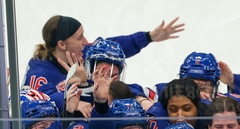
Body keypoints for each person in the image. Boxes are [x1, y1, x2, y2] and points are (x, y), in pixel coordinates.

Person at [22, 15, 184, 111]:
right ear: (62, 45)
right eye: (80, 38)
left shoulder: (78, 53)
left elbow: (110, 47)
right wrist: (70, 102)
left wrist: (148, 37)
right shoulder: (40, 72)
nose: (86, 42)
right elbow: (34, 101)